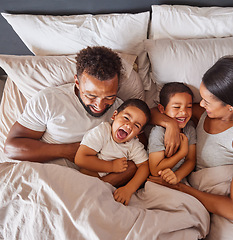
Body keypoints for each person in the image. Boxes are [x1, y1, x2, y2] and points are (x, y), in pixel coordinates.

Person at [148, 56, 233, 222]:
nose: (201, 104)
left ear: (231, 106)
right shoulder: (203, 114)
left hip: (224, 205)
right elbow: (153, 112)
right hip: (195, 194)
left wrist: (179, 188)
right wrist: (171, 125)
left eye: (207, 101)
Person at [3, 46, 139, 184]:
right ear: (77, 83)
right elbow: (11, 148)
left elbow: (140, 146)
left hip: (92, 182)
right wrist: (67, 151)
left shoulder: (122, 112)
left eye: (110, 97)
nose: (99, 105)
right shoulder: (49, 100)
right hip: (47, 177)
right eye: (91, 96)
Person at [75, 98, 151, 205]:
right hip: (89, 176)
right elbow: (80, 159)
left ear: (139, 132)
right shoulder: (103, 131)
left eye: (136, 125)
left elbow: (145, 166)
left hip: (111, 184)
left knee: (132, 167)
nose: (129, 126)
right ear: (114, 115)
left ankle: (100, 190)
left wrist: (129, 189)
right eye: (126, 118)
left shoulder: (133, 145)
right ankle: (94, 190)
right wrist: (111, 166)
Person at [148, 82, 196, 185]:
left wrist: (177, 176)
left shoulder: (189, 129)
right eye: (177, 107)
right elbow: (155, 170)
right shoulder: (159, 132)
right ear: (162, 109)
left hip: (180, 180)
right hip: (157, 182)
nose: (184, 112)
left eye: (189, 107)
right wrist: (182, 153)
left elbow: (191, 160)